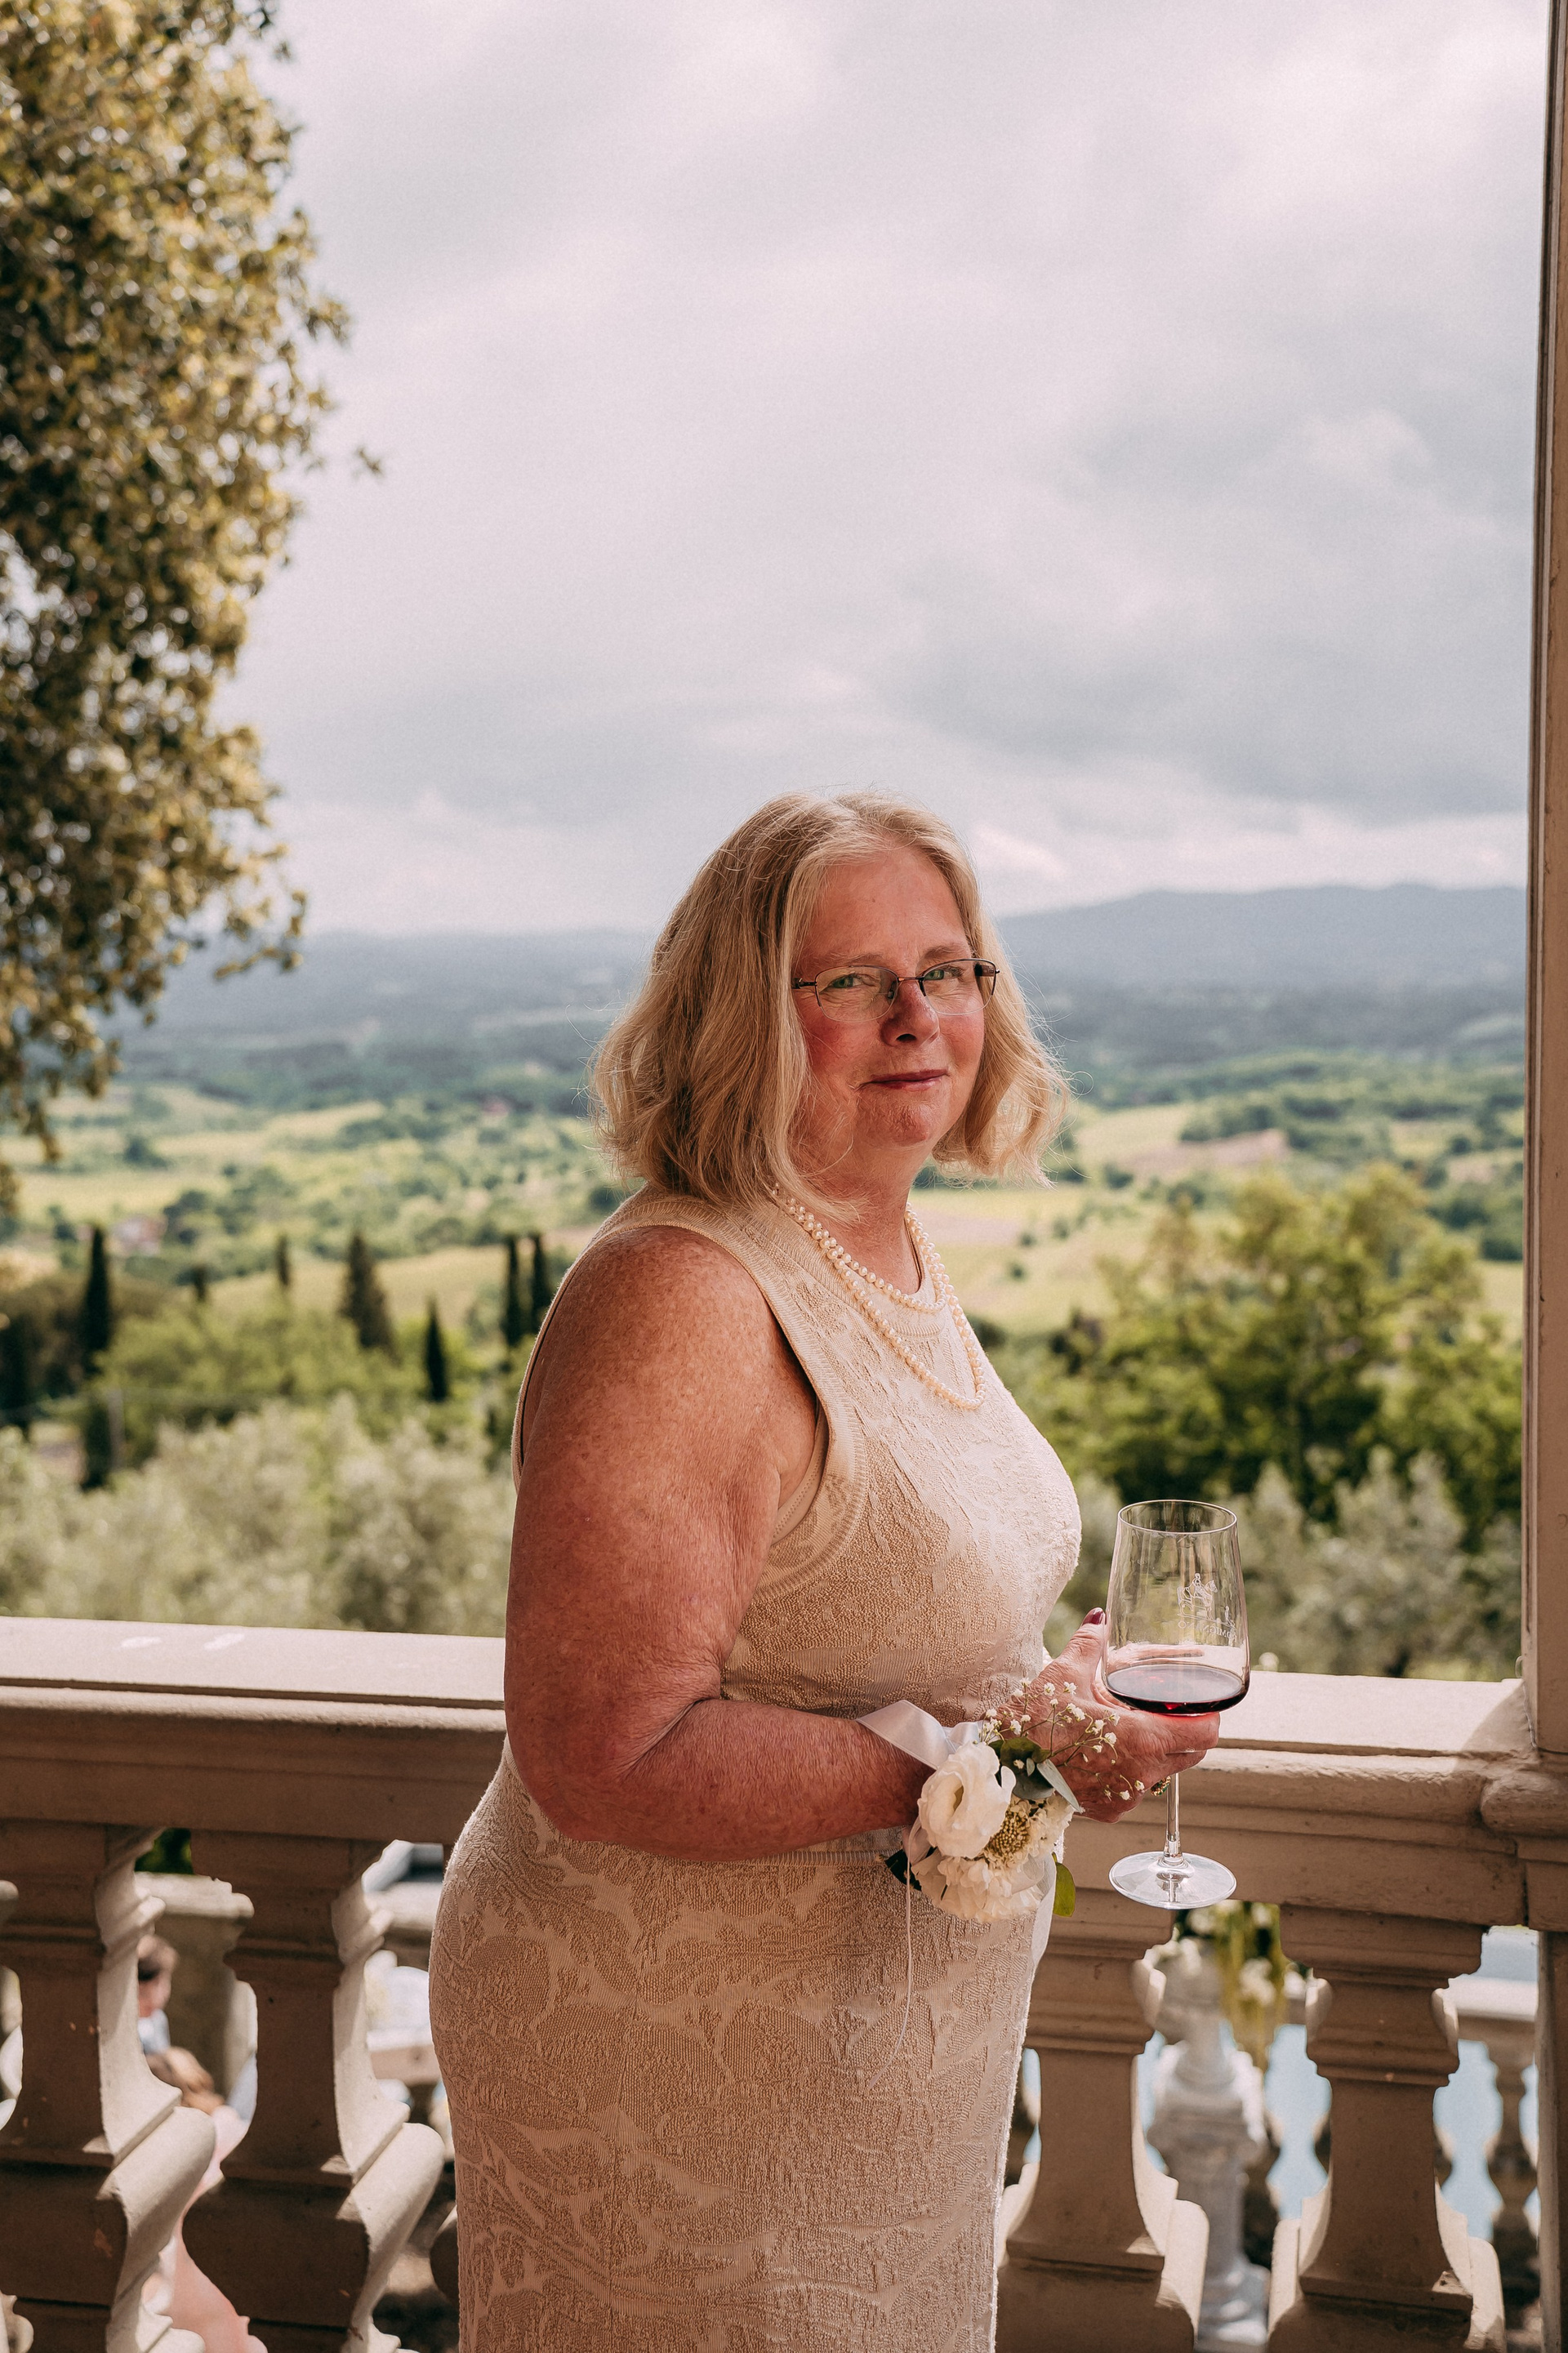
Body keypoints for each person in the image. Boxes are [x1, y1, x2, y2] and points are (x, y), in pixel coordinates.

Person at [429, 792, 1220, 2350]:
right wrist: (1007, 1754)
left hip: (872, 2062)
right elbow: (601, 1752)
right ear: (744, 1014)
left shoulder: (877, 1243)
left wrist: (1050, 1714)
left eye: (951, 968)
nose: (919, 1015)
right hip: (676, 2073)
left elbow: (879, 1607)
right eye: (853, 980)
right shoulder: (682, 1293)